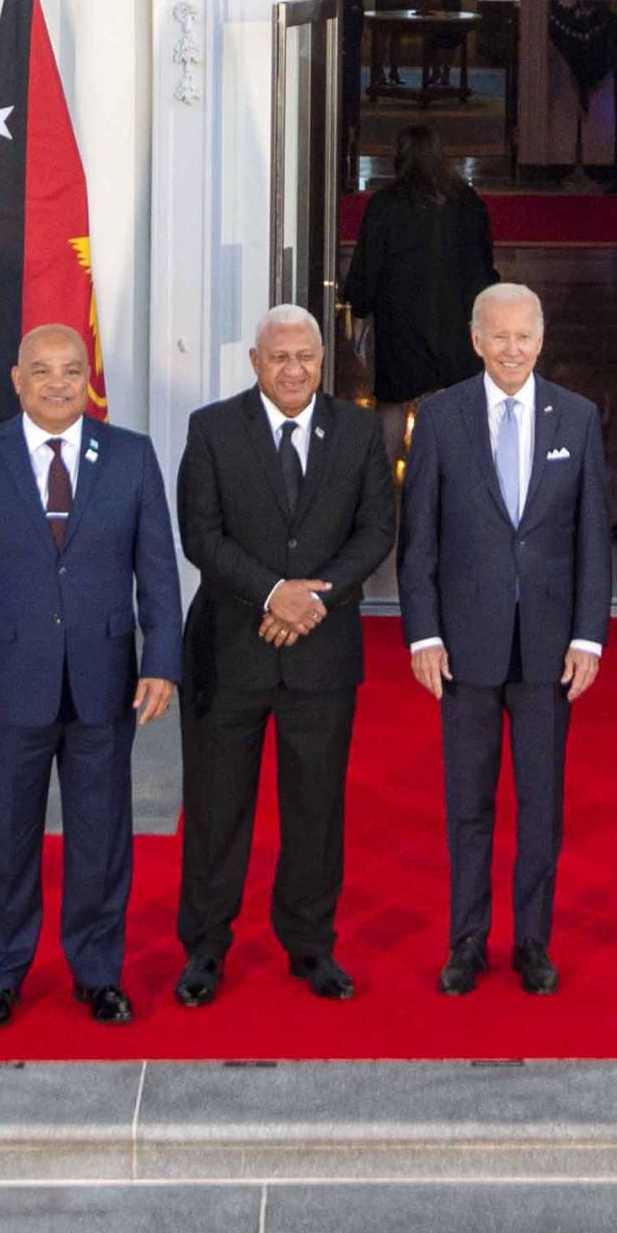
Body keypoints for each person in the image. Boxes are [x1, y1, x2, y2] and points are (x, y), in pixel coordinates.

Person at [0, 321, 184, 1030]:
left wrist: (162, 658)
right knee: (6, 835)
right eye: (40, 371)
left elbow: (158, 572)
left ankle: (98, 972)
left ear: (89, 377)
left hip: (104, 679)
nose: (56, 383)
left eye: (70, 370)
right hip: (9, 681)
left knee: (101, 835)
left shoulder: (131, 458)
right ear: (17, 379)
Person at [399, 280, 615, 995]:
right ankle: (467, 940)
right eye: (500, 335)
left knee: (541, 802)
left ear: (542, 340)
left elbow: (592, 538)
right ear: (476, 340)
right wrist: (422, 632)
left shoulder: (578, 418)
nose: (513, 348)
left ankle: (532, 941)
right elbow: (418, 540)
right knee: (468, 802)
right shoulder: (439, 417)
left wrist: (589, 637)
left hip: (551, 650)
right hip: (463, 645)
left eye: (525, 335)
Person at [172, 306, 390, 1007]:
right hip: (229, 650)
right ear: (255, 361)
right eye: (279, 357)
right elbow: (200, 535)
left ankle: (310, 945)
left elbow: (376, 529)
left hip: (321, 654)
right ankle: (205, 946)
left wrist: (311, 601)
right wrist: (272, 594)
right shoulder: (212, 429)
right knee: (215, 807)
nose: (293, 369)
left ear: (323, 360)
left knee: (315, 808)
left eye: (306, 357)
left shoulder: (357, 431)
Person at [343, 124, 495, 403]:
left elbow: (368, 264)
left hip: (398, 322)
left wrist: (360, 307)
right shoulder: (467, 202)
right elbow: (481, 263)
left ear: (399, 157)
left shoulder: (384, 204)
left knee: (393, 404)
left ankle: (388, 450)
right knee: (451, 407)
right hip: (455, 319)